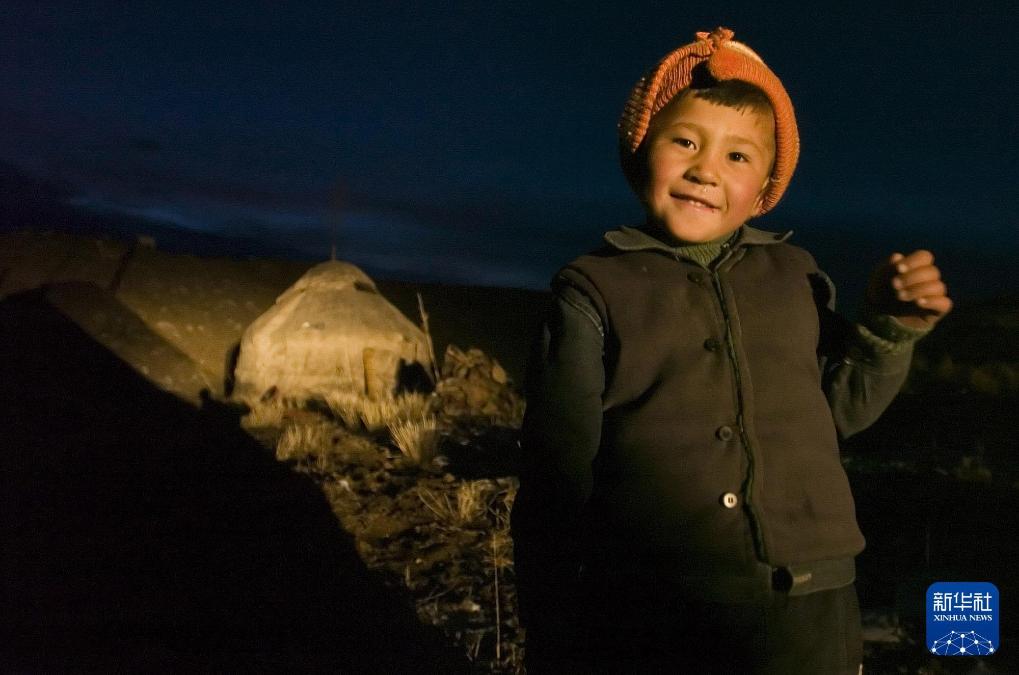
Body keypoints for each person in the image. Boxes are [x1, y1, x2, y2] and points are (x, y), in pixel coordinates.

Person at [510, 27, 952, 674]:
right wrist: (551, 619)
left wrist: (888, 329)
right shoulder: (593, 289)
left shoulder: (796, 275)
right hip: (654, 603)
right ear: (642, 148)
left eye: (738, 155)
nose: (705, 169)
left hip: (811, 602)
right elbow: (557, 469)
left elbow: (839, 412)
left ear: (766, 184)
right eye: (684, 141)